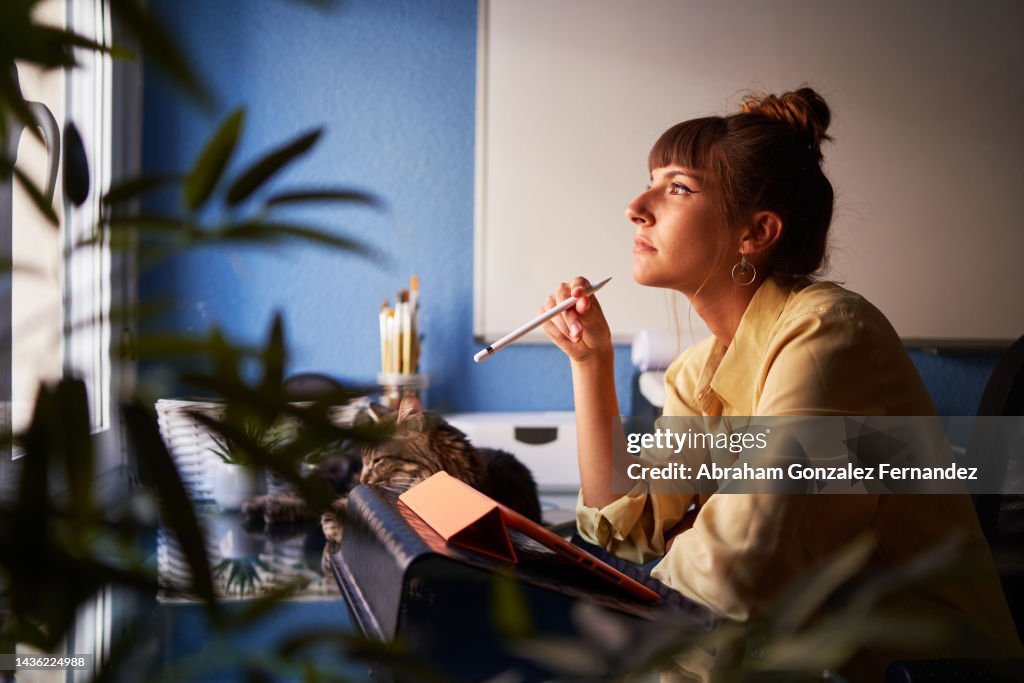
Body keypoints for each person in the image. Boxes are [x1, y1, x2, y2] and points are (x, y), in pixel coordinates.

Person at [539, 87, 1019, 678]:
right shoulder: (700, 371)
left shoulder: (830, 333)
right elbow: (629, 533)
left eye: (678, 188)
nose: (636, 206)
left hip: (919, 671)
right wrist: (591, 366)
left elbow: (735, 568)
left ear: (756, 233)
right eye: (650, 181)